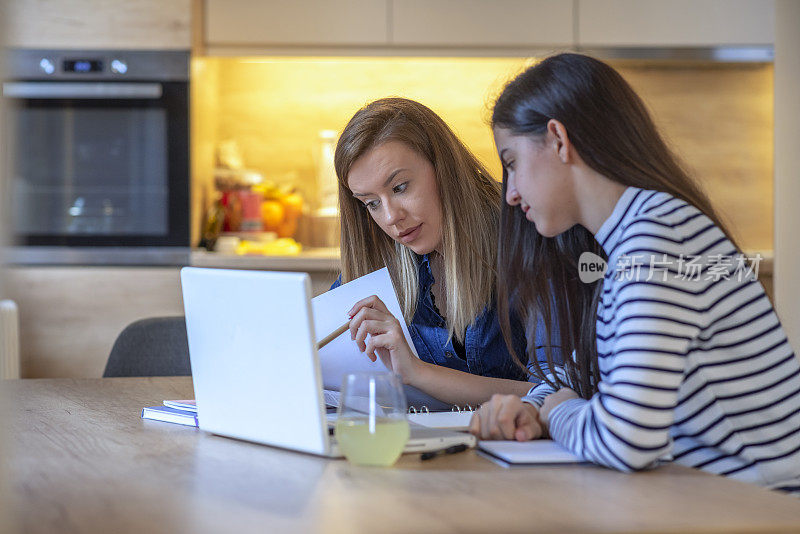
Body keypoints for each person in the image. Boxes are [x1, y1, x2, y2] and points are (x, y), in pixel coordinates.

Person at [470, 53, 800, 495]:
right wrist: (532, 408)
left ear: (558, 140)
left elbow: (626, 440)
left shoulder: (656, 238)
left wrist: (557, 413)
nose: (510, 193)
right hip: (721, 501)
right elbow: (585, 368)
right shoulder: (637, 236)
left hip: (763, 508)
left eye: (511, 163)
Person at [333, 97, 561, 407]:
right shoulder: (379, 252)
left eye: (400, 187)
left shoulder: (528, 231)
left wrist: (419, 373)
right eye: (371, 203)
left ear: (443, 169)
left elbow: (559, 395)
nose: (390, 218)